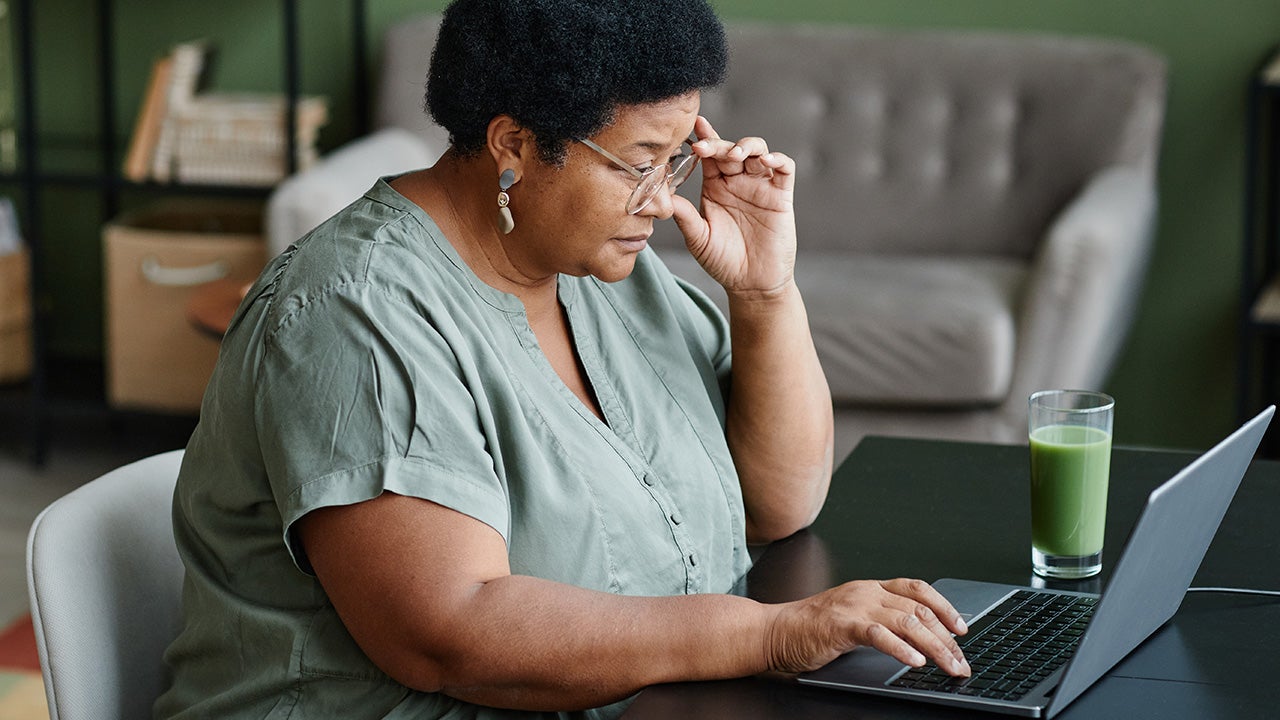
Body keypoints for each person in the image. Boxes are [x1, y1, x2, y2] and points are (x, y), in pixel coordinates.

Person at [154, 1, 970, 718]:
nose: (664, 198)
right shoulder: (352, 313)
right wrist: (772, 632)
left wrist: (765, 295)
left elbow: (780, 507)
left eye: (679, 156)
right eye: (639, 162)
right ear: (512, 143)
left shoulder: (605, 269)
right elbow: (451, 634)